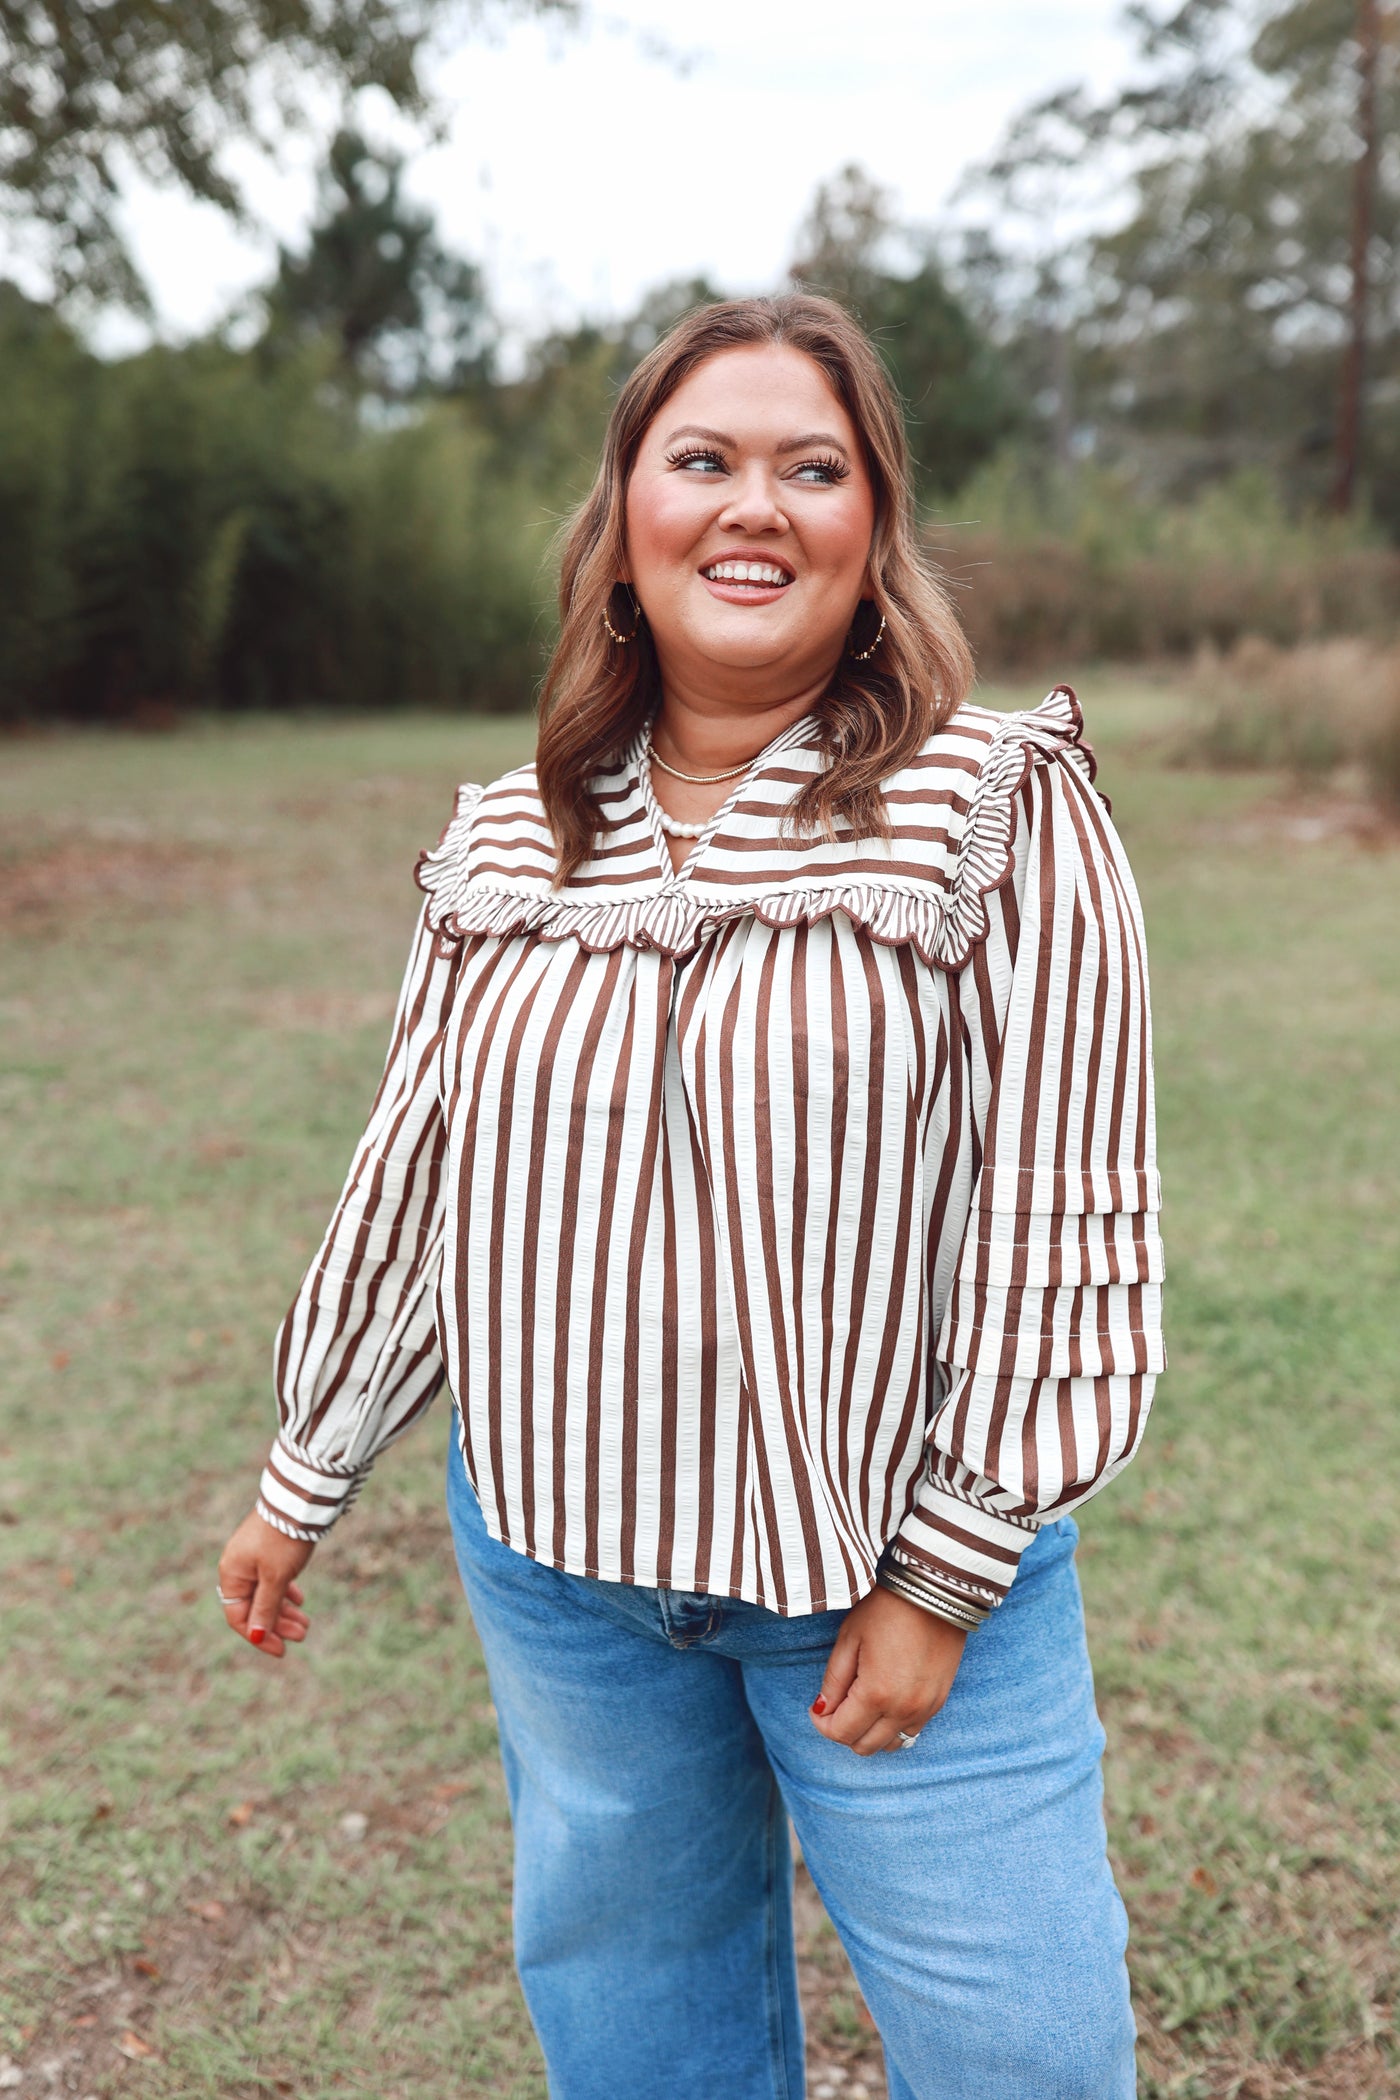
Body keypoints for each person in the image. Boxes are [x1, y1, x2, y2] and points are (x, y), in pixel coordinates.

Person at [217, 294, 1163, 2100]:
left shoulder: (998, 805)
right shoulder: (511, 835)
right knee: (644, 2032)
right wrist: (305, 1469)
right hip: (562, 1569)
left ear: (873, 530)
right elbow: (419, 1184)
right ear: (624, 523)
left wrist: (948, 1579)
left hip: (878, 1571)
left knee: (1023, 2050)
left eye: (814, 467)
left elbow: (1070, 1214)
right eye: (703, 460)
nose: (756, 504)